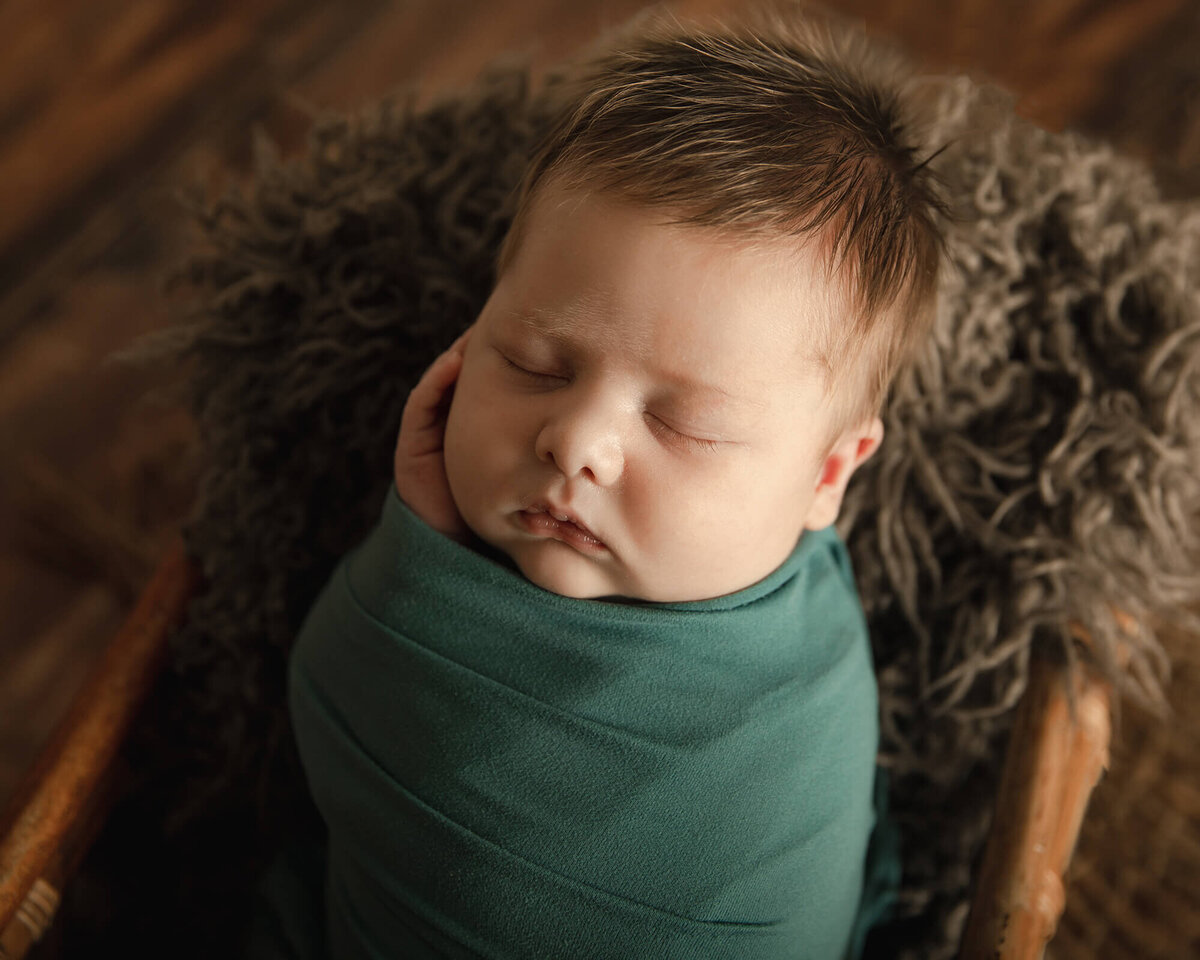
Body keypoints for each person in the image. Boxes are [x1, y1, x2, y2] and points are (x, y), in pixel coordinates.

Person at [266, 10, 944, 960]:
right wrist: (414, 559)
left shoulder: (795, 692)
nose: (577, 439)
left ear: (825, 476)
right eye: (536, 361)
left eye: (683, 424)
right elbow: (331, 708)